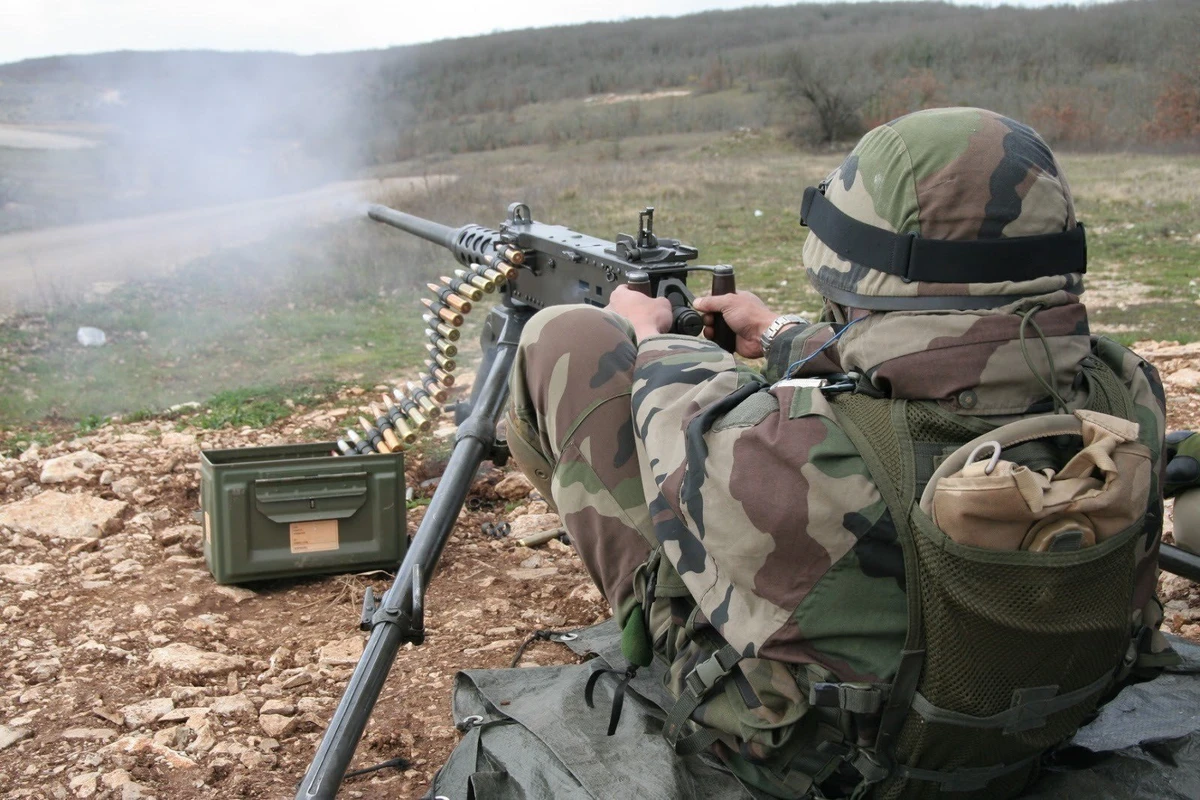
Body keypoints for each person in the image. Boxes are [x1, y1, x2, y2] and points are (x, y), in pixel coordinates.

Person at [504, 107, 1174, 798]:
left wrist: (651, 335)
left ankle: (650, 631)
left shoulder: (797, 458)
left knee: (567, 340)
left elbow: (682, 416)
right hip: (1023, 736)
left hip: (827, 768)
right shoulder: (1124, 396)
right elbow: (957, 358)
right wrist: (786, 334)